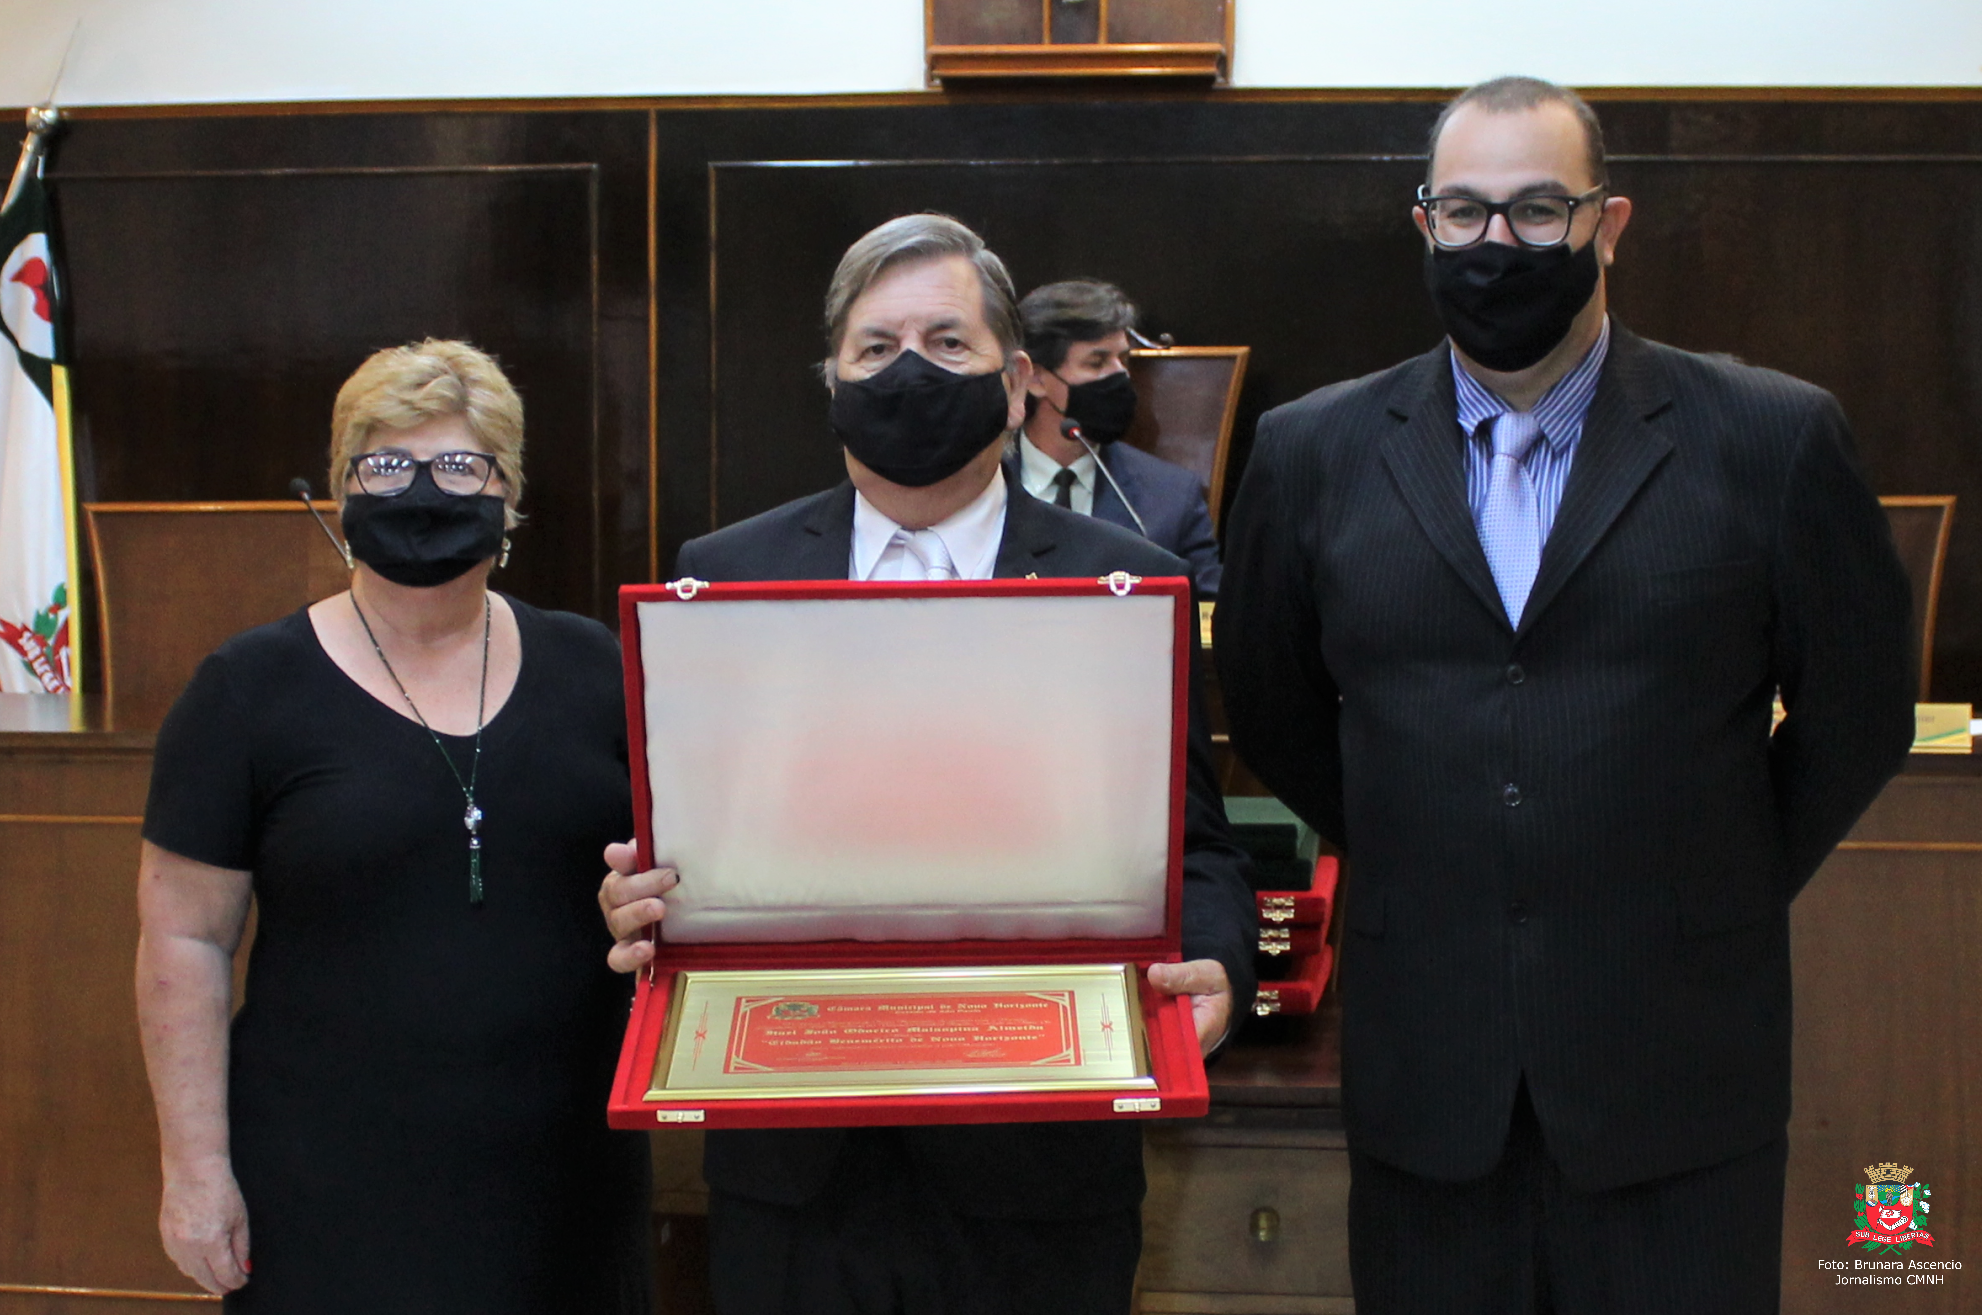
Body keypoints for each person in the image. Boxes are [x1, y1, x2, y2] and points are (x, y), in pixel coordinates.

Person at [1215, 77, 1915, 1314]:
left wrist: (1715, 874)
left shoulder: (1771, 437)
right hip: (1427, 1076)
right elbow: (1270, 706)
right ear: (1422, 221)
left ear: (1609, 222)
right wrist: (1427, 844)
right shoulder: (1309, 451)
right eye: (1464, 211)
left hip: (1678, 1076)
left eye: (1538, 210)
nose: (1497, 243)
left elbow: (1859, 712)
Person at [598, 214, 1258, 1315]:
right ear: (832, 381)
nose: (910, 371)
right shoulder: (727, 574)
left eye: (948, 343)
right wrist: (643, 898)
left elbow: (1198, 845)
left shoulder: (1125, 582)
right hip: (793, 1172)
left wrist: (1221, 977)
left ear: (1016, 381)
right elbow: (689, 842)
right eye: (876, 348)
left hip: (1042, 1169)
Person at [135, 340, 653, 1312]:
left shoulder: (599, 668)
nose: (421, 490)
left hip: (564, 1183)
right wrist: (193, 1170)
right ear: (340, 490)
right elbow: (183, 939)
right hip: (325, 1188)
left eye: (458, 464)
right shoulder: (245, 691)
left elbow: (668, 877)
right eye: (386, 465)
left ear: (509, 495)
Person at [1010, 279, 1223, 596]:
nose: (1120, 375)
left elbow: (1206, 611)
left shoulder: (1173, 497)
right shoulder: (980, 484)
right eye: (1096, 362)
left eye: (1123, 360)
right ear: (1036, 378)